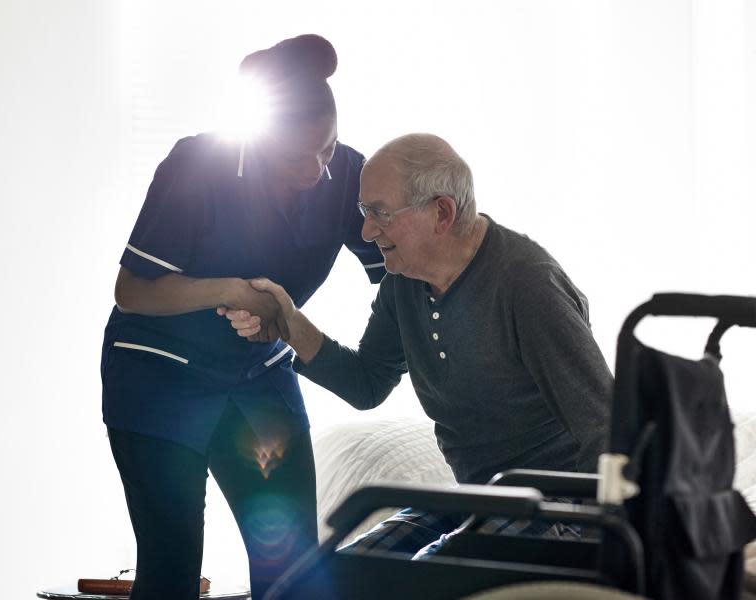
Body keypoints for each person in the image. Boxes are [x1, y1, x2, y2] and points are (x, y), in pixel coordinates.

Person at [221, 132, 613, 558]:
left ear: (441, 212)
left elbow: (605, 426)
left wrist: (602, 547)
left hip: (557, 505)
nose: (366, 230)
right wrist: (290, 322)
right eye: (363, 211)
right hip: (478, 496)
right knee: (346, 572)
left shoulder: (527, 284)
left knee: (426, 575)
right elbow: (366, 383)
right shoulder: (404, 283)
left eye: (380, 213)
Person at [101, 35, 385, 599]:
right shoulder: (197, 164)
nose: (316, 171)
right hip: (158, 377)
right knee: (171, 569)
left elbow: (398, 266)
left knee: (295, 570)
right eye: (295, 157)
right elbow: (131, 290)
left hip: (258, 376)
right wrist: (228, 289)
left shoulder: (349, 173)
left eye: (326, 149)